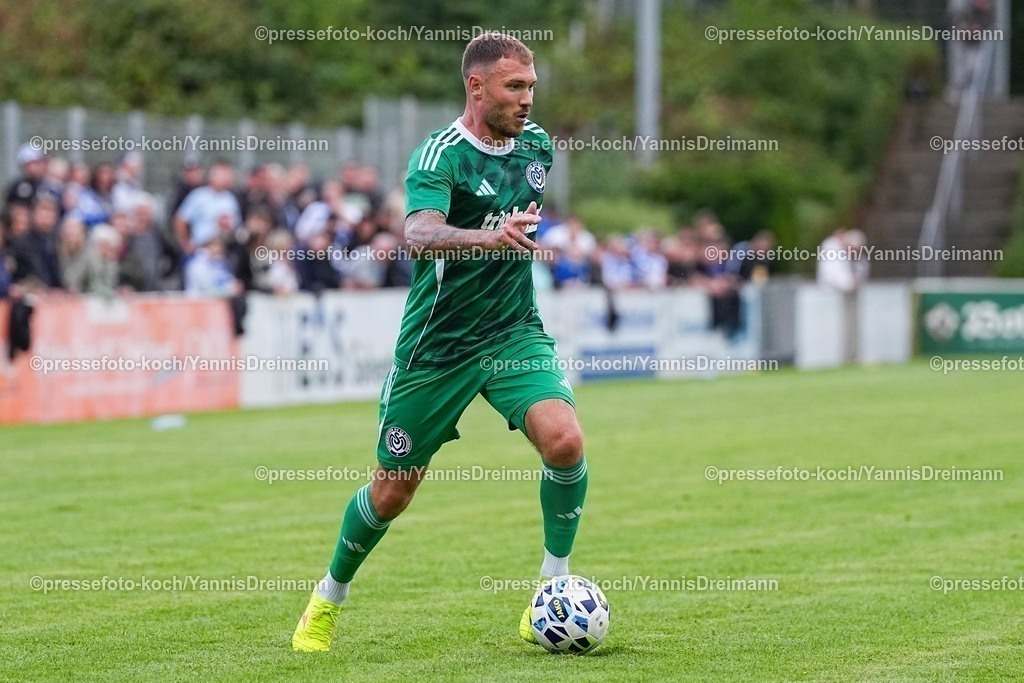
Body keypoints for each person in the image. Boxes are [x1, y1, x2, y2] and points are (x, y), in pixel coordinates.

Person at [293, 33, 588, 653]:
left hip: (513, 334)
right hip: (437, 349)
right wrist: (489, 238)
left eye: (532, 86)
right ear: (476, 86)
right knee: (392, 491)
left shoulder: (537, 147)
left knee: (565, 442)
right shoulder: (439, 156)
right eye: (515, 86)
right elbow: (419, 234)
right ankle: (329, 596)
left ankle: (551, 588)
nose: (528, 99)